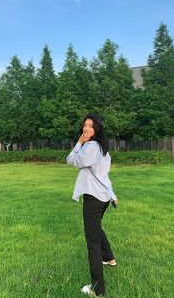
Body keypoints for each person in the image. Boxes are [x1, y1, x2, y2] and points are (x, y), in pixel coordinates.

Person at [67, 114, 118, 297]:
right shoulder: (103, 148)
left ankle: (98, 290)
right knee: (96, 229)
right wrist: (112, 195)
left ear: (96, 129)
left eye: (90, 126)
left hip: (94, 198)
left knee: (92, 242)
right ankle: (109, 258)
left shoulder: (89, 147)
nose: (86, 129)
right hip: (103, 198)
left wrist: (79, 143)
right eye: (84, 125)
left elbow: (71, 160)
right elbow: (103, 175)